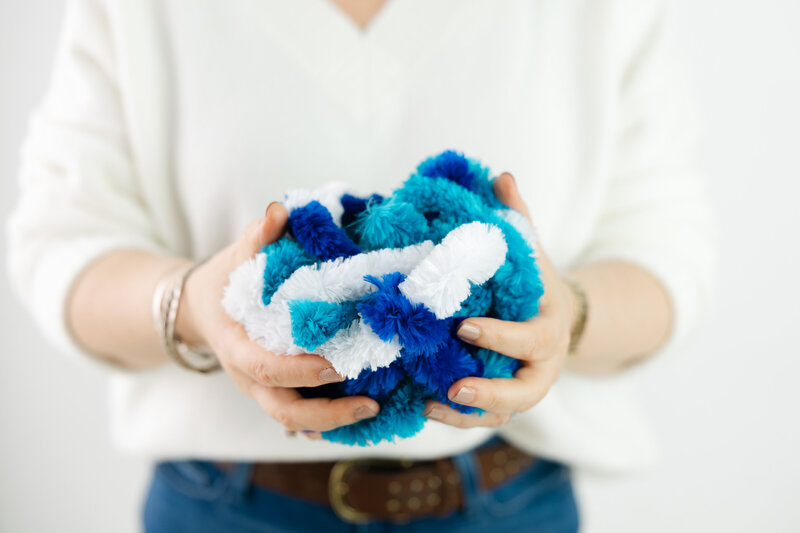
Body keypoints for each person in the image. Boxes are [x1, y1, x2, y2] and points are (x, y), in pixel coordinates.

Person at [6, 0, 716, 531]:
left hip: (510, 504)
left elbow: (665, 249)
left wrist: (568, 315)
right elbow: (61, 243)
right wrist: (194, 305)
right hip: (225, 508)